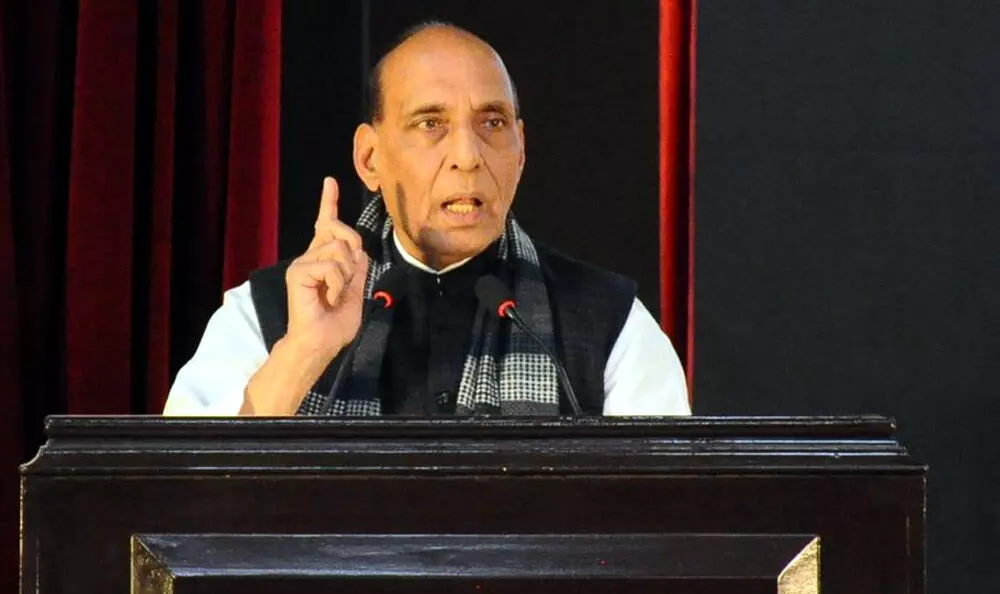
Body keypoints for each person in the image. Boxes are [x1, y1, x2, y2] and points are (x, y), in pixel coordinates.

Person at [163, 22, 689, 418]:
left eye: (492, 123)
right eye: (430, 123)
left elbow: (666, 516)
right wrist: (304, 351)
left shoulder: (610, 323)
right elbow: (187, 499)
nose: (468, 155)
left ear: (521, 150)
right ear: (370, 158)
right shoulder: (266, 314)